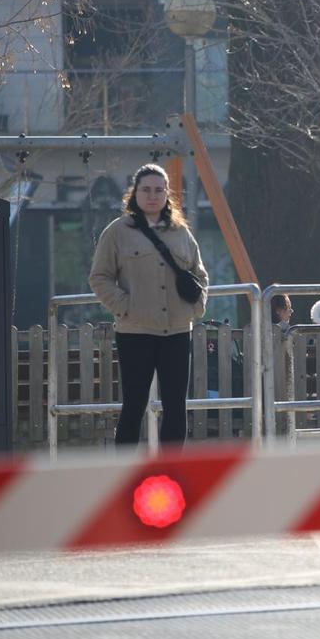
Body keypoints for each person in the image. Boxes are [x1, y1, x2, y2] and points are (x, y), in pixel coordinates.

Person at [89, 163, 208, 446]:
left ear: (167, 194)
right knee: (134, 406)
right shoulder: (117, 232)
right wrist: (126, 307)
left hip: (178, 331)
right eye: (146, 189)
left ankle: (171, 474)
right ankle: (124, 477)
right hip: (135, 333)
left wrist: (195, 308)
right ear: (134, 193)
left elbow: (200, 274)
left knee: (176, 408)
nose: (152, 196)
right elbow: (99, 277)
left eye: (158, 190)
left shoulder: (181, 232)